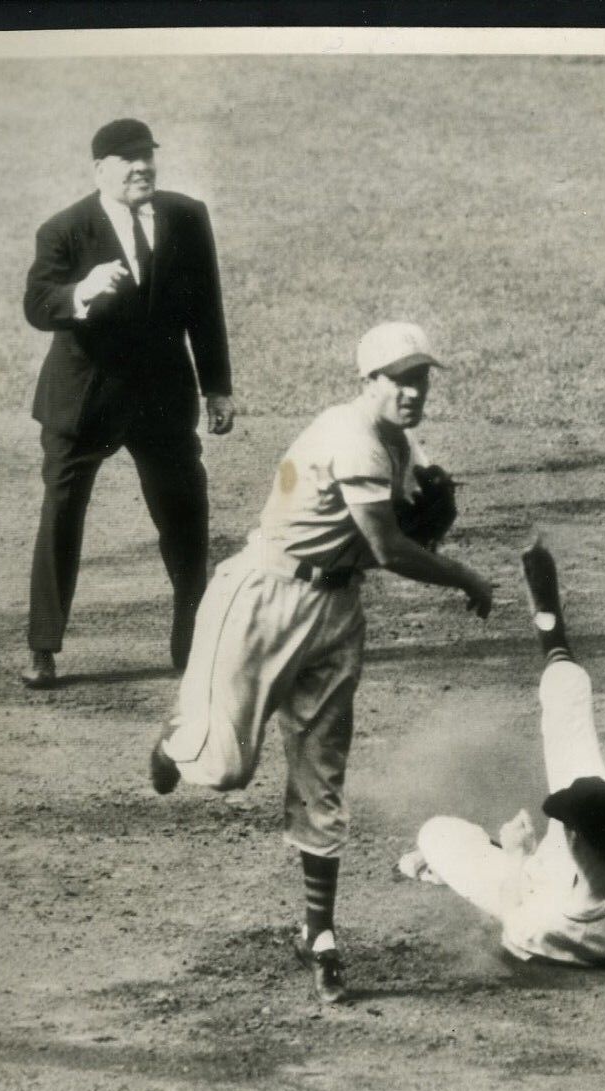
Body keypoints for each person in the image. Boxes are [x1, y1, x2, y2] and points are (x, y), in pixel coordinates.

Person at [150, 321, 495, 1003]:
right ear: (368, 381)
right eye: (400, 379)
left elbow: (413, 496)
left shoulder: (397, 440)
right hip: (261, 601)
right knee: (223, 769)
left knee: (323, 777)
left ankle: (321, 934)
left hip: (335, 614)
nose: (413, 392)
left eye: (421, 379)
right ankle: (176, 736)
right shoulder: (351, 437)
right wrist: (463, 576)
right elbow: (387, 546)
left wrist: (428, 498)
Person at [402, 543, 605, 967]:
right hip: (597, 871)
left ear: (570, 837)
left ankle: (459, 861)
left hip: (528, 887)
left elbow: (513, 920)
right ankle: (552, 633)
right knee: (570, 696)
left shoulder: (549, 923)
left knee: (436, 834)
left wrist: (515, 856)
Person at [21, 118, 235, 688]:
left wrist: (217, 386)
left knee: (185, 516)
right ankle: (43, 648)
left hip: (162, 400)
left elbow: (205, 307)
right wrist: (81, 291)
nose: (142, 166)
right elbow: (38, 304)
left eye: (146, 155)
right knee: (61, 517)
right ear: (100, 170)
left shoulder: (187, 217)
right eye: (126, 158)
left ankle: (194, 642)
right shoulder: (65, 229)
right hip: (83, 402)